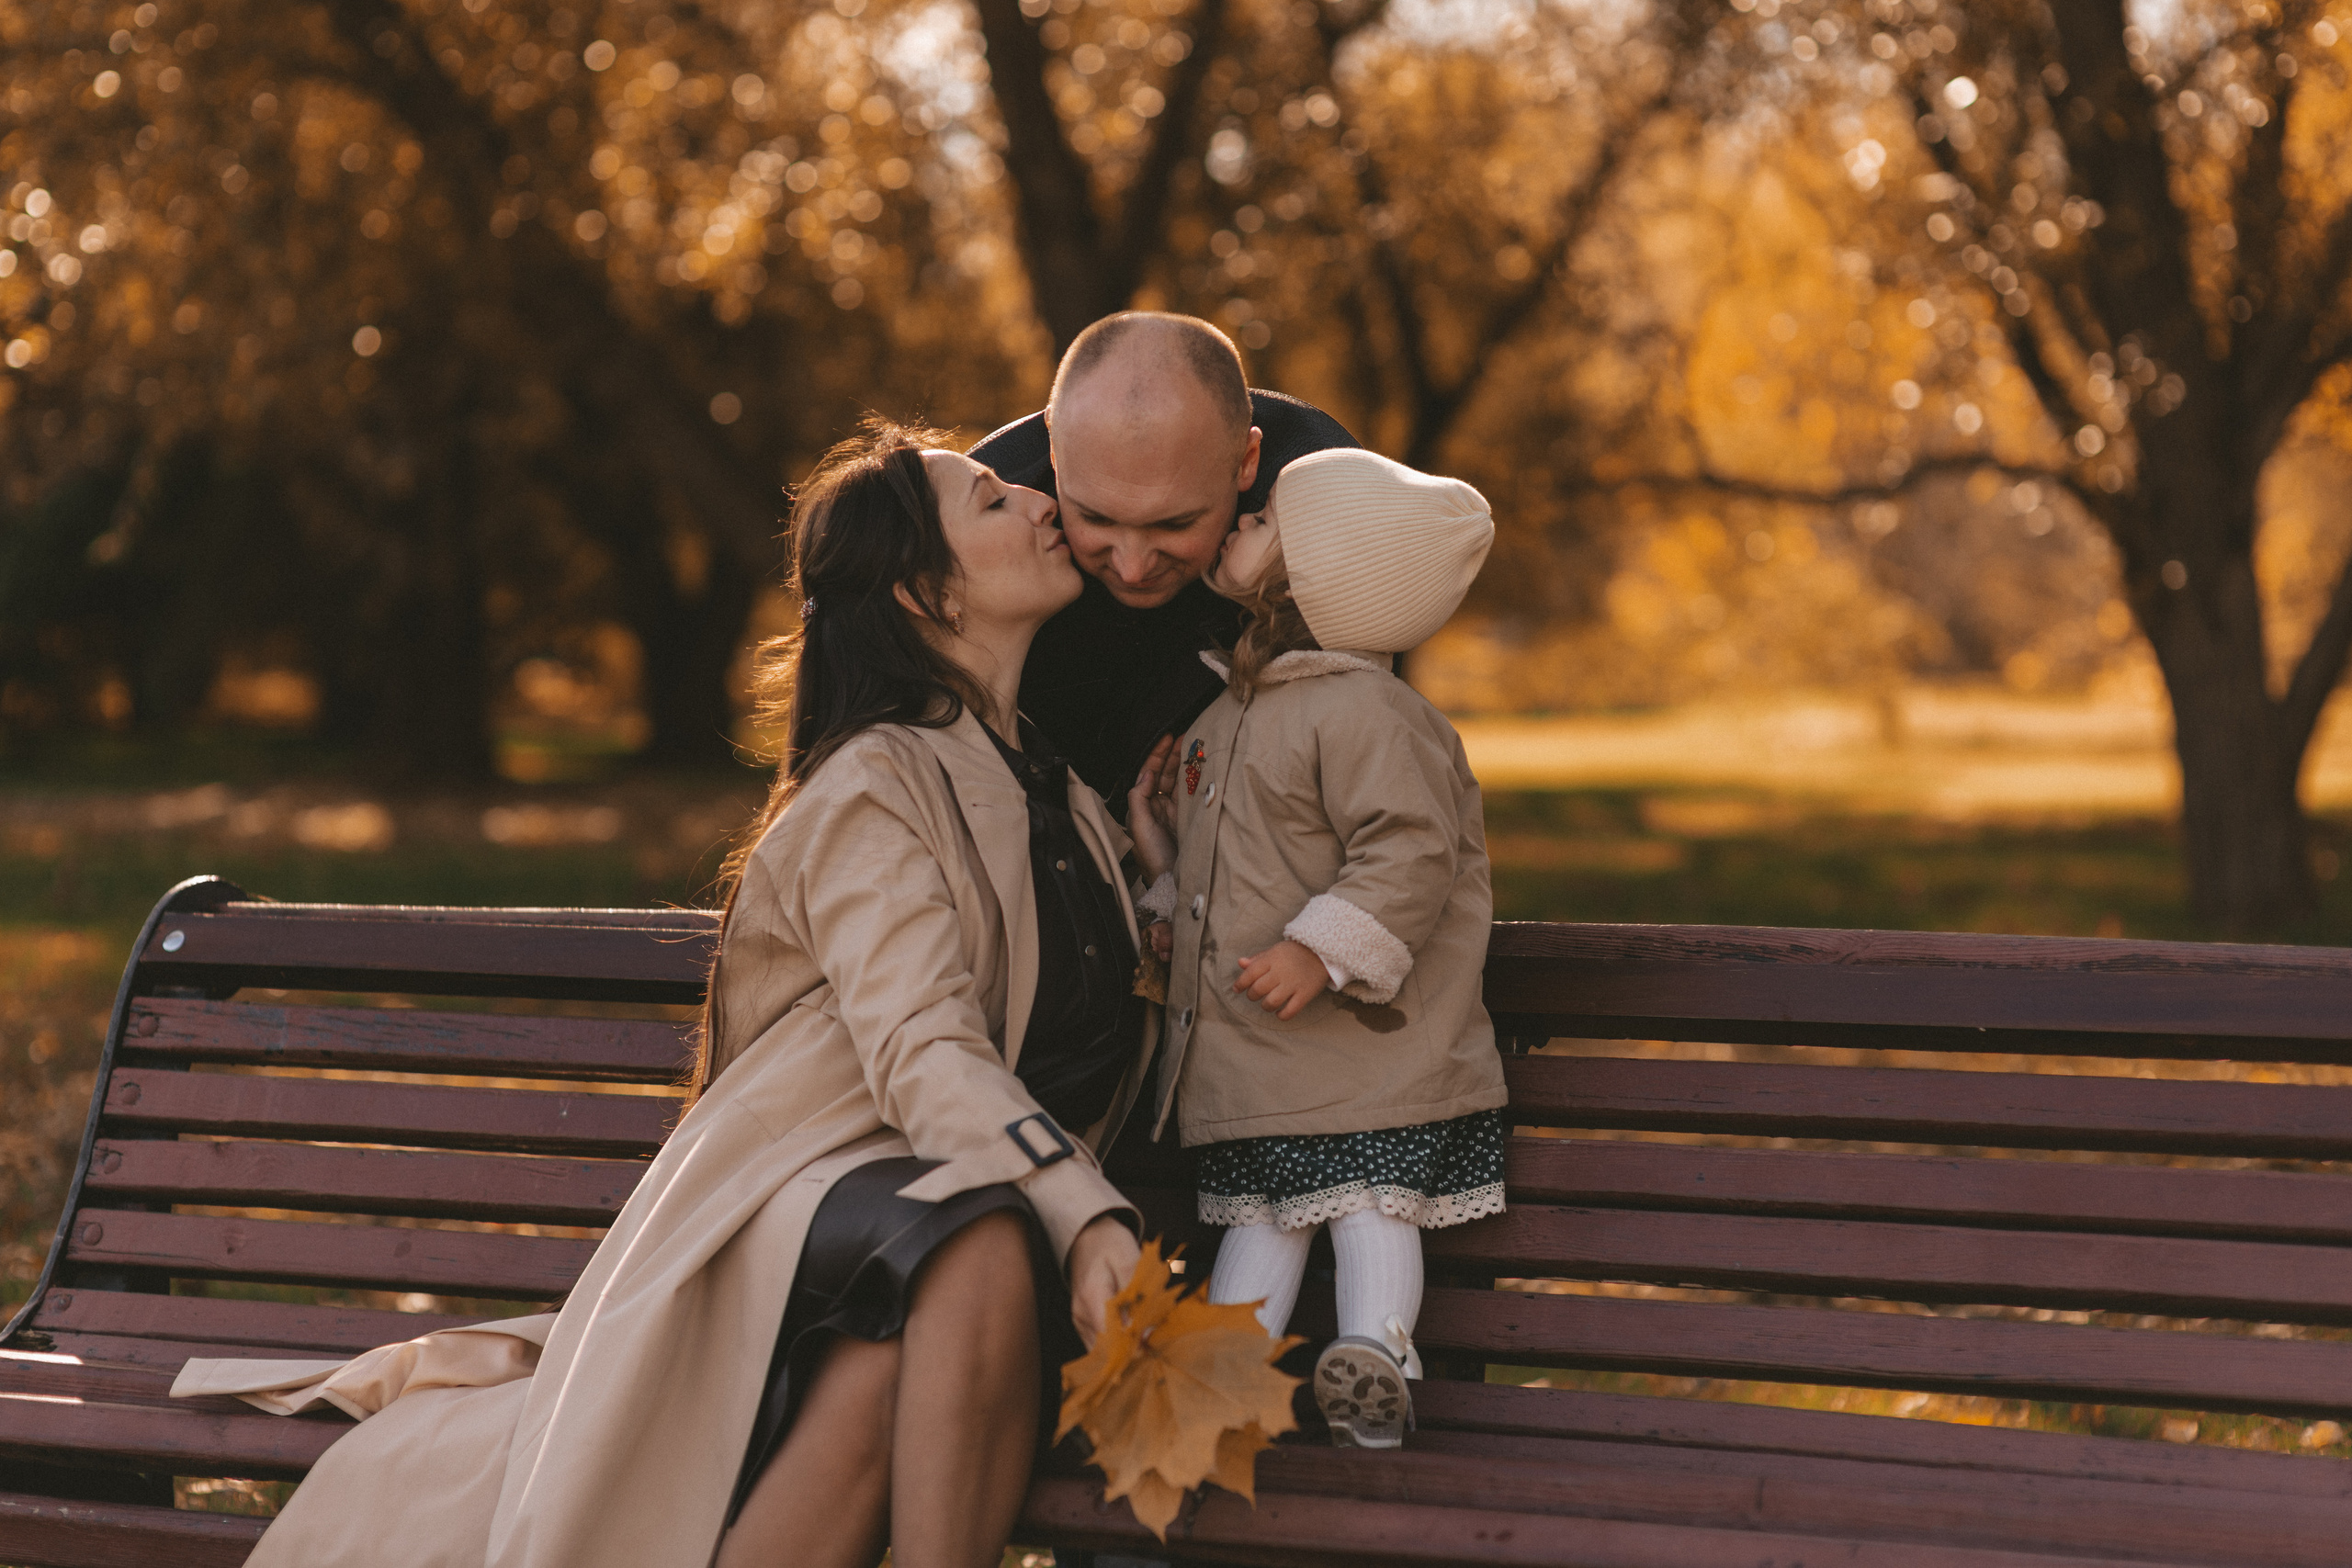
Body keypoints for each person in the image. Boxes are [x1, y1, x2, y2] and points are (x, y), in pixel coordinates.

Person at [214, 423, 1170, 1568]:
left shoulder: (1056, 794)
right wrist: (1082, 1210)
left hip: (936, 1215)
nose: (1038, 500)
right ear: (925, 592)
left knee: (890, 1364)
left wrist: (1157, 883)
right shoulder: (872, 786)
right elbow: (923, 1049)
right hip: (808, 1202)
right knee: (982, 1242)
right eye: (992, 500)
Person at [1129, 446, 1509, 1451]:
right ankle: (1223, 1377)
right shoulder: (1229, 711)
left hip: (1362, 1058)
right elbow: (1226, 874)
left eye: (1263, 521)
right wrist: (1161, 869)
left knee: (1370, 1207)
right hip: (1262, 1063)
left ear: (1317, 571)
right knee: (1260, 1216)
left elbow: (1410, 849)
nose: (1239, 522)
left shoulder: (1368, 712)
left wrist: (1318, 950)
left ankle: (1378, 1356)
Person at [970, 310, 1359, 808]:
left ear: (1247, 461)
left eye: (1174, 525)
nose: (1132, 568)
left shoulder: (1326, 564)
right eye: (1095, 519)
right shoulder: (978, 557)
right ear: (1053, 451)